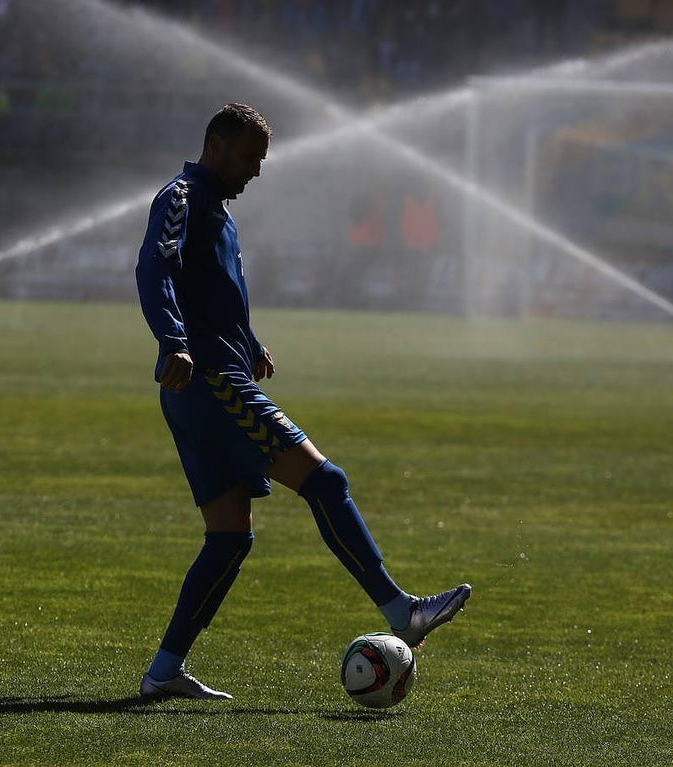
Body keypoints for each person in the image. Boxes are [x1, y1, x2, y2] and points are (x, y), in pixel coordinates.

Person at [134, 103, 471, 701]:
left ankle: (163, 672)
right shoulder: (183, 196)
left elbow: (211, 293)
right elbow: (153, 272)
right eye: (247, 157)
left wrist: (251, 342)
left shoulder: (217, 209)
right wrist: (175, 342)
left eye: (261, 161)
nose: (256, 171)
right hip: (210, 382)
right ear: (214, 143)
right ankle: (402, 612)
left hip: (210, 380)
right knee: (326, 481)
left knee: (230, 537)